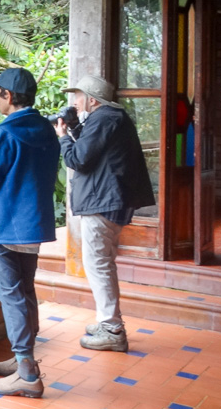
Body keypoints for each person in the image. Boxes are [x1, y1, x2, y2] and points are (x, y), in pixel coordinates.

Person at [0, 68, 60, 397]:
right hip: (31, 225)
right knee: (26, 292)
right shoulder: (45, 130)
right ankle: (24, 359)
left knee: (11, 296)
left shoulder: (3, 134)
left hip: (3, 226)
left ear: (8, 96)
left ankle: (26, 372)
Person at [57, 75, 154, 353]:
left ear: (91, 99)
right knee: (103, 261)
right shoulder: (110, 119)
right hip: (108, 199)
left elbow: (78, 160)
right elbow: (92, 153)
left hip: (103, 201)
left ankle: (112, 328)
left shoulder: (104, 118)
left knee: (98, 263)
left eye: (78, 95)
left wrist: (63, 138)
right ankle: (108, 321)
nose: (74, 101)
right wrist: (75, 130)